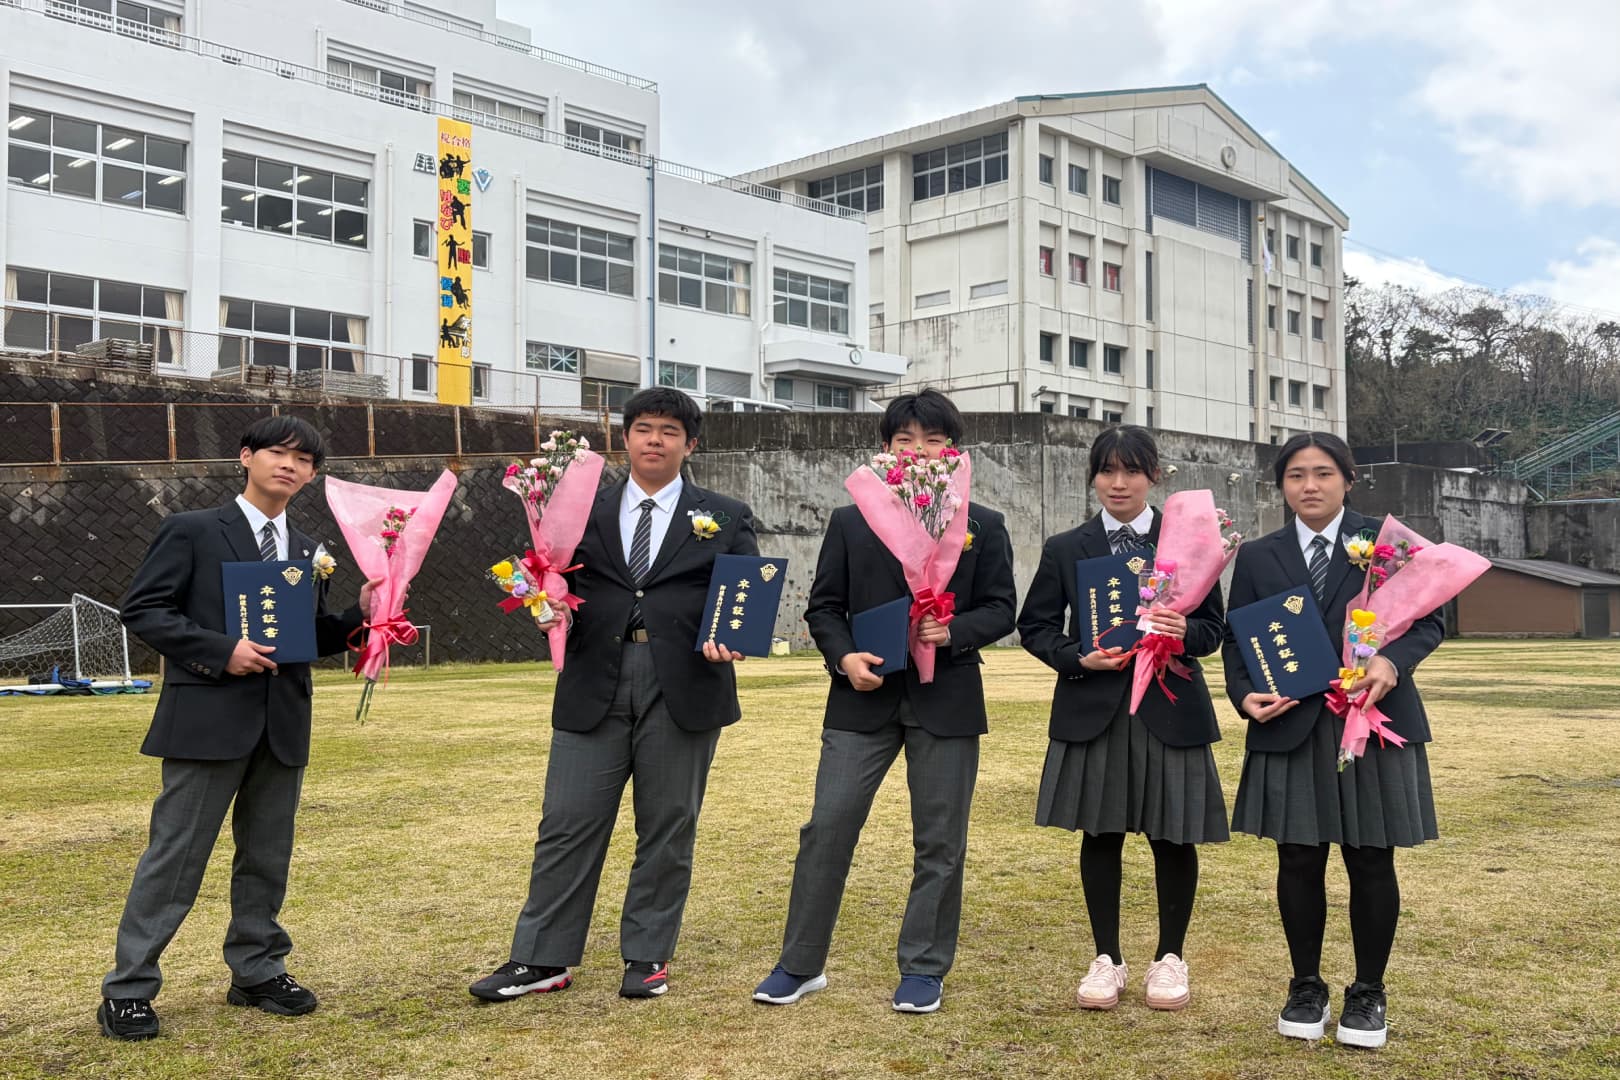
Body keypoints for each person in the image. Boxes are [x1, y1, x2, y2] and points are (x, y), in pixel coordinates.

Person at [98, 416, 381, 1041]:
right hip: (207, 717)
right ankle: (129, 988)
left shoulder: (308, 549)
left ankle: (256, 969)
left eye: (304, 459)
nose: (290, 465)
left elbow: (303, 639)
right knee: (175, 857)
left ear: (312, 474)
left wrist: (358, 619)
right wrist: (220, 650)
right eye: (277, 452)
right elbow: (143, 609)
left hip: (282, 722)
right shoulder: (193, 530)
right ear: (245, 457)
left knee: (266, 856)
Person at [470, 388, 756, 1003]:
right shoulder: (574, 510)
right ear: (624, 439)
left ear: (690, 444)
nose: (656, 439)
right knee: (567, 821)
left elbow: (745, 595)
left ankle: (648, 954)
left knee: (667, 823)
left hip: (685, 681)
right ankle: (542, 957)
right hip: (592, 675)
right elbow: (547, 576)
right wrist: (544, 607)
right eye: (644, 428)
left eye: (670, 431)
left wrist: (731, 636)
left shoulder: (726, 515)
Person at [752, 389, 1016, 1015]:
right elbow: (824, 607)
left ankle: (924, 968)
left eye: (933, 441)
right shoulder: (852, 521)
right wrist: (843, 657)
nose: (919, 451)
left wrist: (954, 632)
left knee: (940, 840)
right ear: (886, 450)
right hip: (861, 700)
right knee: (828, 828)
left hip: (945, 697)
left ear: (955, 452)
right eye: (905, 440)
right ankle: (800, 963)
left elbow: (1001, 607)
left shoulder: (984, 525)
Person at [1222, 431, 1442, 1050]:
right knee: (1297, 856)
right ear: (1282, 484)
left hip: (1371, 719)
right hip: (1291, 723)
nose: (1309, 486)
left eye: (1322, 473)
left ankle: (1368, 991)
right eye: (1295, 475)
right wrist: (1244, 696)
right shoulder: (1260, 556)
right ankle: (1305, 985)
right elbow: (1238, 639)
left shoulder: (1386, 544)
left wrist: (1391, 663)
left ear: (1348, 478)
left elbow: (1429, 618)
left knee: (1371, 856)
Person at [1016, 425, 1228, 1012]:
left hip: (1171, 705)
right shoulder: (1067, 547)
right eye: (1106, 471)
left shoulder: (1186, 542)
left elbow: (1214, 628)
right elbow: (1034, 627)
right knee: (1100, 833)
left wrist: (1184, 634)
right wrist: (1076, 658)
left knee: (1173, 834)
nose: (1117, 483)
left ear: (1153, 475)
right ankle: (1107, 957)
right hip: (1096, 707)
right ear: (1092, 476)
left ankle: (1170, 958)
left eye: (1131, 471)